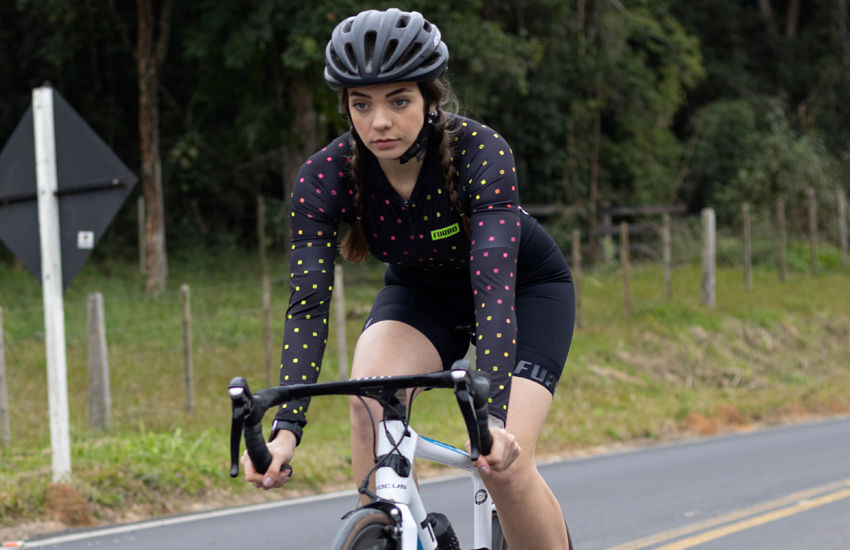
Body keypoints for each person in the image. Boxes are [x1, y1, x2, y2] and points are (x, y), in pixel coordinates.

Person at [242, 8, 576, 549]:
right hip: (423, 292)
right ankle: (390, 528)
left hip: (521, 289)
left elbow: (492, 293)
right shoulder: (323, 177)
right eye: (361, 104)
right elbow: (307, 306)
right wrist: (286, 431)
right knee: (368, 397)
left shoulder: (480, 153)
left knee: (503, 465)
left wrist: (489, 419)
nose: (379, 122)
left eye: (398, 100)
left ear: (430, 99)